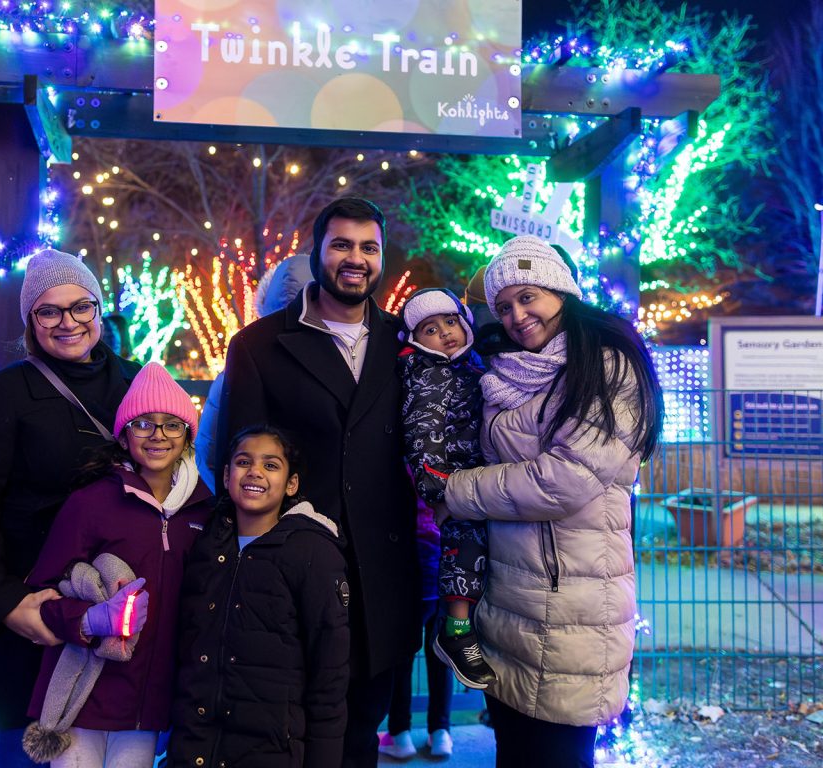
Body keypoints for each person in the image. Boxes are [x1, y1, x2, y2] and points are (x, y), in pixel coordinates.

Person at [441, 235, 664, 767]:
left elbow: (563, 481)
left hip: (573, 610)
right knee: (514, 752)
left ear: (560, 292)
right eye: (503, 307)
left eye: (528, 297)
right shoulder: (503, 372)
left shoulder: (606, 367)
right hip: (507, 605)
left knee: (559, 755)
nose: (517, 316)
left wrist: (457, 491)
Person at [218, 197, 420, 766]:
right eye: (342, 245)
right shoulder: (258, 345)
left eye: (369, 247)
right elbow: (240, 467)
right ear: (317, 252)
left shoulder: (406, 342)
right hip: (293, 574)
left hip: (382, 580)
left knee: (360, 737)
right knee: (284, 737)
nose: (356, 258)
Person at [0, 248, 142, 767]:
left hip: (120, 626)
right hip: (34, 623)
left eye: (81, 306)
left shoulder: (139, 384)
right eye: (49, 311)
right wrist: (6, 603)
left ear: (98, 309)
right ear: (31, 320)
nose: (68, 322)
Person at [22, 362, 214, 768]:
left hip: (150, 705)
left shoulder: (204, 510)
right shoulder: (91, 502)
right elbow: (42, 593)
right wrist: (90, 620)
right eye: (143, 424)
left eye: (172, 424)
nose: (158, 435)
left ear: (187, 436)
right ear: (124, 437)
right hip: (84, 696)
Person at [169, 426, 349, 768]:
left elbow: (330, 674)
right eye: (243, 462)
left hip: (270, 752)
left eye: (270, 465)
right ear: (226, 476)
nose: (255, 472)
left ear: (291, 484)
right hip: (195, 747)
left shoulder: (312, 552)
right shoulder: (205, 545)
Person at [397, 287, 496, 690]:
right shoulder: (428, 375)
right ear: (416, 341)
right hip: (454, 485)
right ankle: (456, 631)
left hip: (477, 480)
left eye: (450, 322)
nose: (445, 333)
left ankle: (463, 626)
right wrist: (440, 491)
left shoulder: (468, 366)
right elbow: (421, 436)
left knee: (478, 557)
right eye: (430, 329)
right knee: (463, 554)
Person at [193, 254, 312, 492]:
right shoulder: (339, 363)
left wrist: (239, 501)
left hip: (257, 504)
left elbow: (210, 453)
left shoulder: (242, 359)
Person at [377, 497, 453, 760]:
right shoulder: (448, 471)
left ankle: (400, 733)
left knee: (401, 659)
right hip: (444, 569)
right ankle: (441, 732)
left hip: (407, 570)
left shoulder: (400, 472)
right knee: (442, 656)